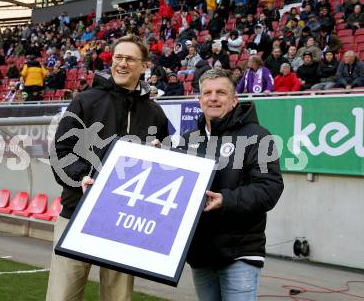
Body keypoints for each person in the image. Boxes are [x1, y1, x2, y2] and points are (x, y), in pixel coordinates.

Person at [47, 35, 169, 301]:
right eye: (118, 58)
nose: (122, 64)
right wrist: (81, 177)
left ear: (144, 65)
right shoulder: (85, 101)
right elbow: (61, 151)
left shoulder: (155, 113)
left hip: (124, 224)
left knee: (118, 298)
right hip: (77, 212)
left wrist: (160, 157)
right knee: (62, 295)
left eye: (130, 59)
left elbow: (166, 168)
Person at [181, 68, 284, 301]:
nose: (213, 98)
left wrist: (225, 200)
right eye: (207, 93)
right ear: (200, 100)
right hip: (201, 253)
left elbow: (270, 188)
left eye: (221, 92)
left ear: (234, 99)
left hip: (240, 253)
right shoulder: (188, 139)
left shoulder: (258, 136)